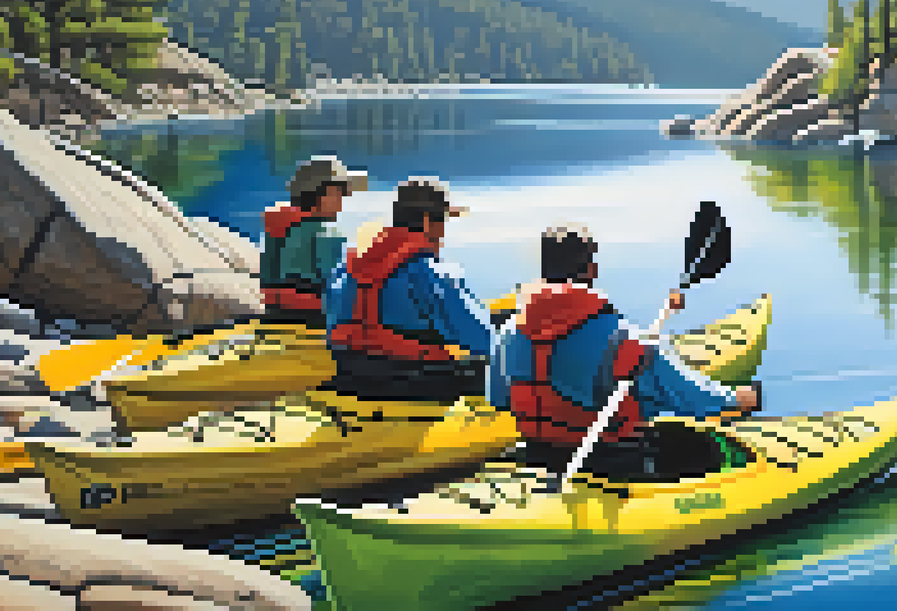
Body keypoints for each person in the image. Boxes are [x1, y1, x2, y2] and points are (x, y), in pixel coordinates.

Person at [492, 224, 760, 481]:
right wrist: (741, 399)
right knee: (687, 442)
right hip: (610, 466)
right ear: (592, 269)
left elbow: (499, 400)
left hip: (538, 459)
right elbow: (691, 397)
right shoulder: (623, 343)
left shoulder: (508, 333)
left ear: (543, 270)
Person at [323, 177, 495, 399]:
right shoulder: (432, 272)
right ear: (427, 222)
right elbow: (484, 341)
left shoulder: (347, 267)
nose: (443, 232)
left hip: (351, 375)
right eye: (443, 221)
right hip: (413, 383)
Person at [260, 156, 367, 328]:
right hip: (314, 317)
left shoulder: (276, 228)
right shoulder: (326, 232)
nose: (341, 205)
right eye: (339, 195)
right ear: (320, 196)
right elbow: (337, 286)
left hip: (275, 311)